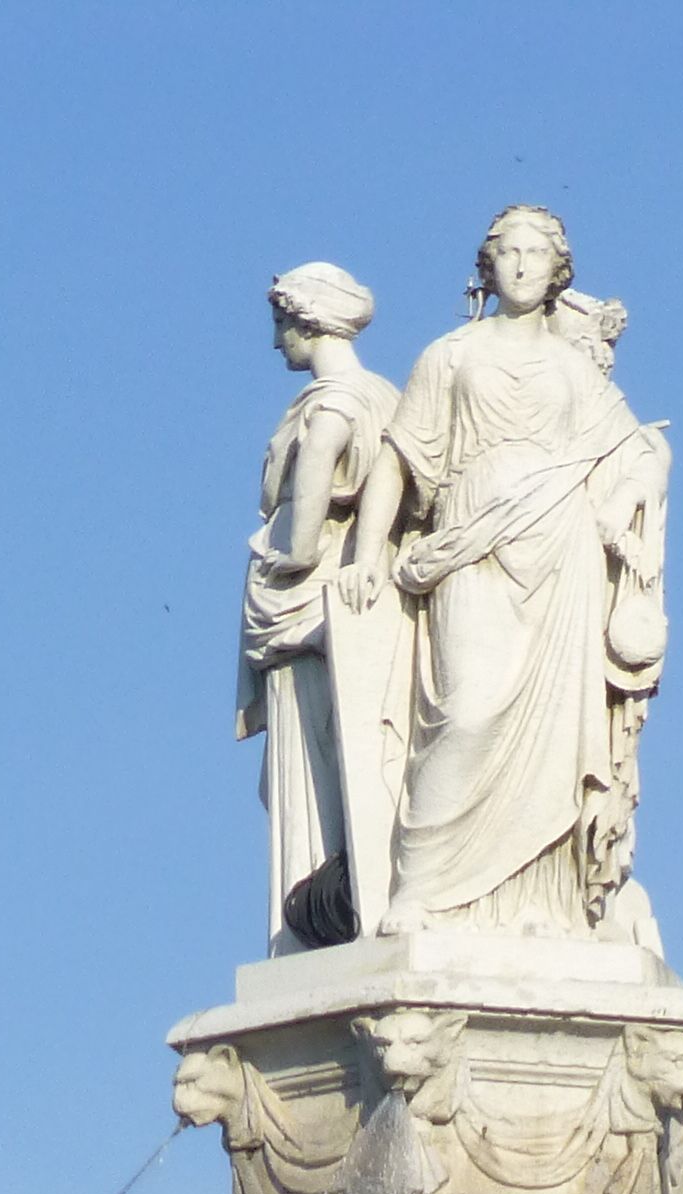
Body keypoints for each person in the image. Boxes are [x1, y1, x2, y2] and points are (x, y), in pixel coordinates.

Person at [339, 206, 669, 938]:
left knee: (555, 731)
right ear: (489, 267)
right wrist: (367, 555)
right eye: (509, 253)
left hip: (562, 550)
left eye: (536, 254)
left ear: (559, 272)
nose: (522, 266)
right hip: (471, 539)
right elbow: (400, 457)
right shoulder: (449, 355)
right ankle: (422, 886)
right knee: (468, 710)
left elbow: (633, 449)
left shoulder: (573, 369)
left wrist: (637, 502)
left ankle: (537, 902)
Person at [238, 262, 405, 951]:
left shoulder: (331, 403)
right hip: (358, 601)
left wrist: (294, 552)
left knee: (315, 760)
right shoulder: (389, 396)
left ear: (309, 322)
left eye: (282, 324)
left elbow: (315, 476)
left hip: (311, 602)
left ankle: (330, 897)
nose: (278, 341)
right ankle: (347, 884)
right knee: (359, 743)